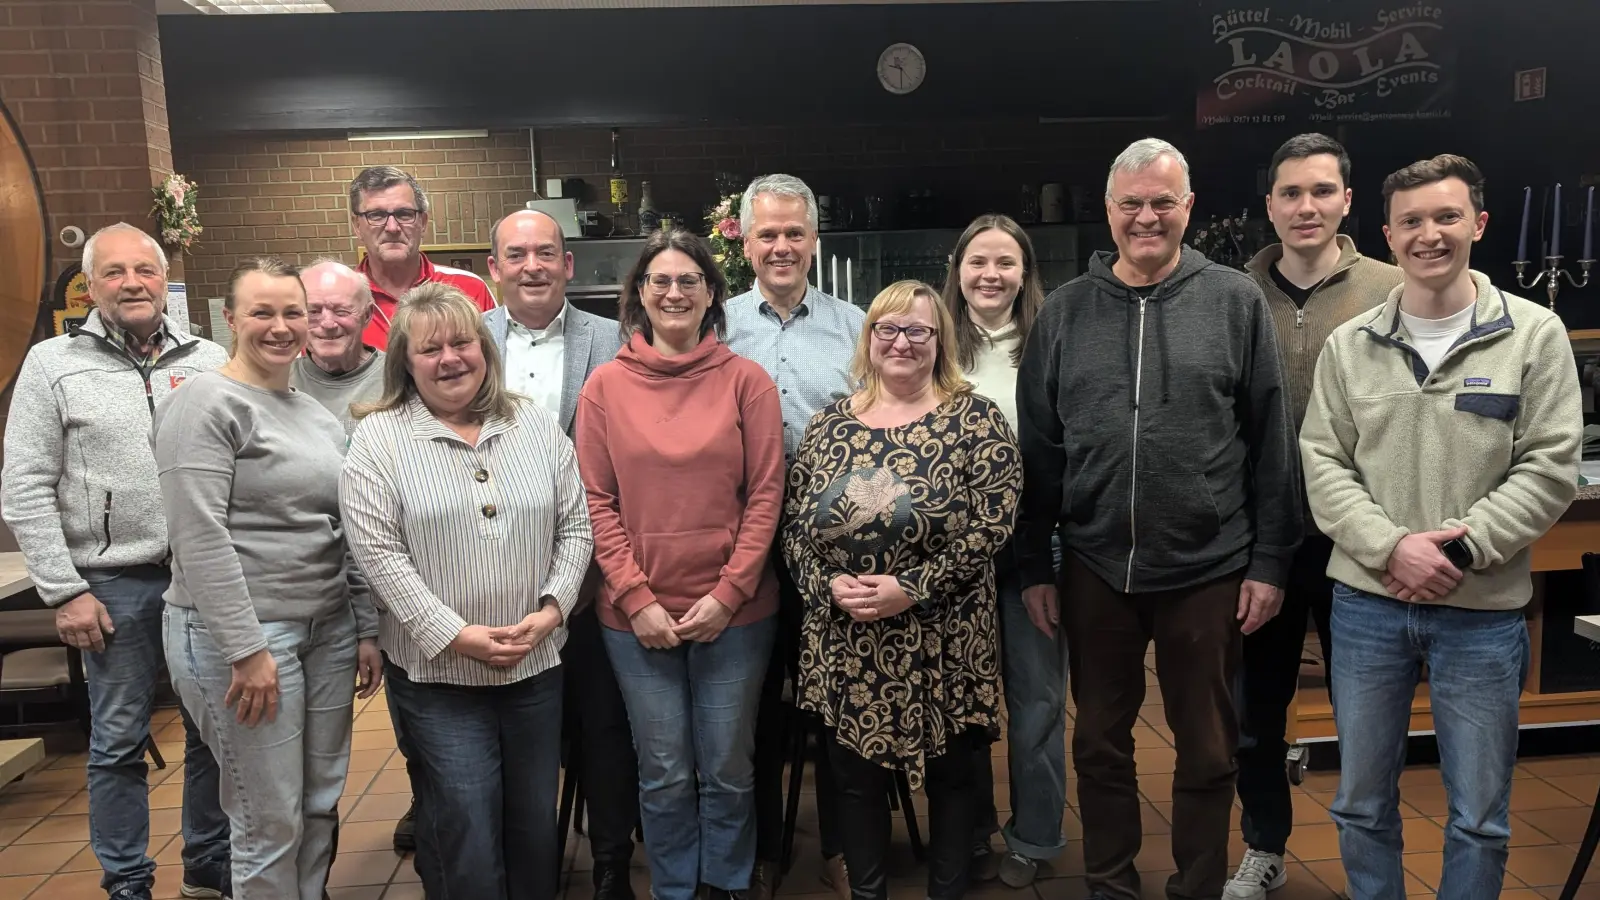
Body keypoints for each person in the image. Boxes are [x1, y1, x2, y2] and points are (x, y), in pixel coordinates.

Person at [1014, 138, 1303, 900]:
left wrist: (1270, 562)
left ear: (1188, 208)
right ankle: (1110, 885)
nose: (1147, 217)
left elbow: (1272, 442)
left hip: (1208, 566)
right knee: (1098, 745)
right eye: (1132, 204)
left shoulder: (1235, 301)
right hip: (1094, 564)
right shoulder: (1065, 313)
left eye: (1162, 203)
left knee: (1208, 748)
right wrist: (1034, 567)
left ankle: (1197, 888)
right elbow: (1040, 453)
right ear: (1109, 210)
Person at [1301, 154, 1582, 900]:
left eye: (1447, 216)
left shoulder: (1534, 336)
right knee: (1361, 805)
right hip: (1367, 607)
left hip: (1483, 613)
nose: (1430, 234)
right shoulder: (1349, 346)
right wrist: (1392, 547)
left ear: (1478, 224)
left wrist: (1456, 549)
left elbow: (1551, 467)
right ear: (1388, 236)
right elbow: (1322, 462)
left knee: (1480, 818)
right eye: (1412, 221)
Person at [1, 223, 232, 900]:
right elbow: (25, 484)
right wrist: (63, 590)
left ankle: (208, 867)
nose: (132, 283)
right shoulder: (52, 364)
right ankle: (127, 881)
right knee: (118, 742)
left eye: (145, 270)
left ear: (165, 280)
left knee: (212, 734)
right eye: (114, 272)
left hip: (201, 578)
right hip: (111, 584)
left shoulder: (211, 359)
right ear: (91, 286)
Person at [340, 283, 592, 900]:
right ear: (406, 363)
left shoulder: (533, 424)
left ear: (485, 349)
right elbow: (378, 555)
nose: (450, 359)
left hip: (534, 667)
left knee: (533, 822)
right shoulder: (379, 439)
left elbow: (576, 527)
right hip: (439, 679)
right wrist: (456, 635)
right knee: (466, 823)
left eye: (462, 343)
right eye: (430, 350)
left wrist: (552, 610)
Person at [154, 256, 382, 900]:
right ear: (230, 319)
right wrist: (245, 649)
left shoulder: (313, 413)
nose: (281, 327)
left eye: (293, 313)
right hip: (247, 639)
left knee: (318, 802)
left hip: (327, 630)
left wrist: (364, 626)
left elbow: (341, 526)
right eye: (262, 312)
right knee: (267, 818)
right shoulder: (203, 403)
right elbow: (198, 537)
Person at [785, 280, 1022, 900]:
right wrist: (827, 585)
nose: (901, 342)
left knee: (953, 781)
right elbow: (794, 531)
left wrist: (912, 587)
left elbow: (992, 524)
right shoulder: (828, 425)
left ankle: (948, 891)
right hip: (847, 642)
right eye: (887, 329)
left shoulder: (975, 419)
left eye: (918, 330)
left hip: (944, 639)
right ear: (868, 339)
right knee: (855, 784)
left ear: (939, 340)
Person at [576, 228, 784, 900]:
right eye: (660, 280)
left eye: (688, 281)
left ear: (711, 293)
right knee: (663, 771)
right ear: (639, 293)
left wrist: (728, 593)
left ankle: (725, 883)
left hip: (736, 615)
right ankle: (673, 889)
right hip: (636, 621)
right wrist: (636, 599)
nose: (674, 292)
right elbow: (596, 501)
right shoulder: (605, 388)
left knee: (727, 769)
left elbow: (766, 496)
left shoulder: (747, 382)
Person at [1226, 134, 1402, 900]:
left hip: (1358, 541)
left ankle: (1373, 866)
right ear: (1269, 204)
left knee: (1365, 719)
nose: (1307, 206)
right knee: (1255, 716)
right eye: (1291, 193)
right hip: (1260, 545)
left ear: (1347, 201)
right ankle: (1264, 846)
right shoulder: (1232, 294)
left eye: (1322, 191)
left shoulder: (1393, 289)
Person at [483, 209, 635, 900]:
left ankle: (611, 863)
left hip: (596, 570)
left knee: (603, 724)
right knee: (518, 732)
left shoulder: (613, 339)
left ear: (568, 265)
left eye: (546, 253)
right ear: (495, 269)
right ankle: (527, 864)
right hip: (494, 576)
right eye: (516, 255)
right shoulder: (467, 340)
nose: (532, 266)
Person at [723, 172, 862, 900]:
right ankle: (759, 851)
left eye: (794, 233)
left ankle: (842, 846)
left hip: (833, 540)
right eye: (768, 234)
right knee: (751, 705)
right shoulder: (715, 324)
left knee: (835, 699)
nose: (781, 246)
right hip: (738, 542)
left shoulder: (856, 326)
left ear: (814, 241)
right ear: (746, 244)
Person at [939, 214, 1061, 888]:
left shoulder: (1052, 338)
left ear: (1025, 272)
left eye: (1005, 263)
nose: (991, 275)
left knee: (1036, 701)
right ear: (957, 270)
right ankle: (973, 830)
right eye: (977, 262)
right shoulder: (936, 344)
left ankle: (1035, 836)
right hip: (952, 555)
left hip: (1034, 549)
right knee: (961, 703)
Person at [348, 165, 497, 350]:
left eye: (404, 214)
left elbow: (494, 361)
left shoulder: (470, 289)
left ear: (423, 223)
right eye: (376, 215)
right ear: (357, 226)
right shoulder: (340, 299)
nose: (392, 227)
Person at [291, 258, 387, 438]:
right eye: (313, 311)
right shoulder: (277, 382)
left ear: (367, 315)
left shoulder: (400, 377)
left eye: (341, 311)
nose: (328, 324)